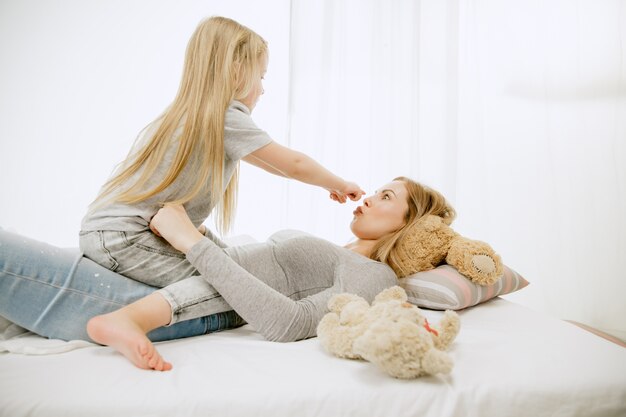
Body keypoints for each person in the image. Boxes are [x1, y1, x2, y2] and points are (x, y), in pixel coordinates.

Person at [0, 177, 456, 372]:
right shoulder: (341, 253)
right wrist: (204, 240)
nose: (370, 198)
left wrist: (191, 243)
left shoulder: (375, 279)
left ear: (410, 223)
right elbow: (255, 273)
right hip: (170, 280)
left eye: (386, 197)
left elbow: (289, 323)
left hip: (161, 302)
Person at [79, 15, 364, 289]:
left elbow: (271, 164)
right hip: (126, 238)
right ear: (236, 70)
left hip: (107, 231)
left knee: (232, 266)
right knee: (235, 285)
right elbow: (293, 164)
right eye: (261, 77)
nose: (262, 90)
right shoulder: (223, 116)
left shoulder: (189, 114)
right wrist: (339, 184)